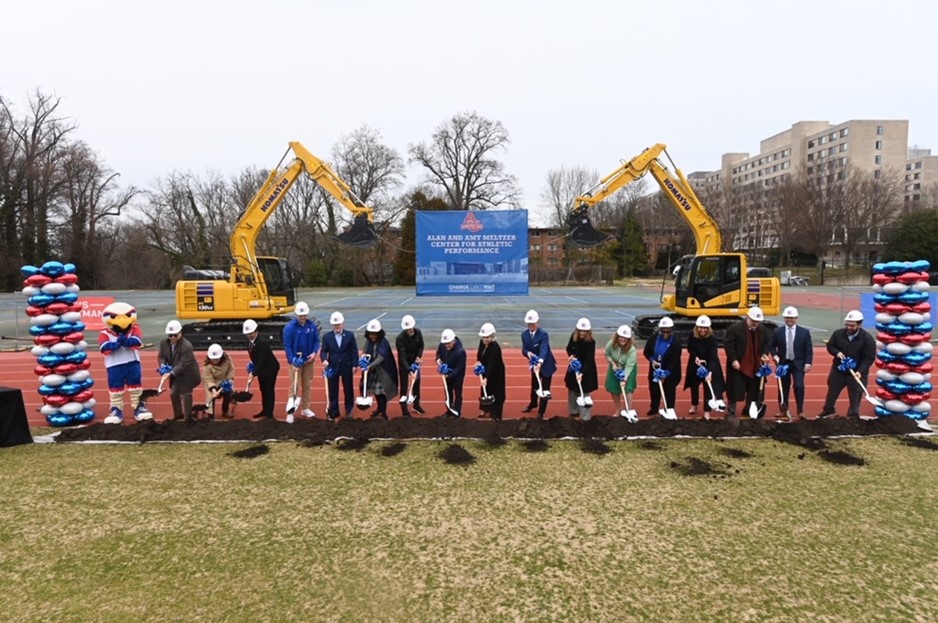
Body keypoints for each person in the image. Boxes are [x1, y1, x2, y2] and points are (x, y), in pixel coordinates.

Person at [98, 301, 151, 424]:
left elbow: (137, 341)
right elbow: (103, 347)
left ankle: (139, 407)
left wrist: (126, 341)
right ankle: (116, 409)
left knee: (136, 386)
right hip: (114, 365)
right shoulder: (105, 332)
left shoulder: (134, 329)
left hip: (132, 362)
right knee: (115, 387)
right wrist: (115, 344)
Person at [818, 310, 876, 419]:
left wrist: (860, 371)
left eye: (852, 325)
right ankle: (828, 410)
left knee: (855, 395)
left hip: (856, 373)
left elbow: (869, 358)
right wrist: (837, 353)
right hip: (838, 371)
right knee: (832, 392)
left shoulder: (867, 339)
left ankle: (853, 415)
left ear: (859, 324)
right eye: (847, 325)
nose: (849, 327)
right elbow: (830, 346)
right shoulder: (838, 334)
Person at [723, 307, 773, 419]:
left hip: (756, 366)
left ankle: (749, 409)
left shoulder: (763, 330)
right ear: (748, 317)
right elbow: (729, 345)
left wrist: (765, 354)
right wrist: (734, 360)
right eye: (753, 320)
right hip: (739, 365)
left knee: (754, 390)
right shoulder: (735, 329)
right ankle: (731, 412)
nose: (755, 323)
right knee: (735, 389)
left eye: (757, 321)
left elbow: (766, 344)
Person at [769, 306, 813, 420]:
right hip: (783, 363)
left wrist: (808, 363)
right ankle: (783, 410)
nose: (789, 320)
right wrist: (775, 355)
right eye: (787, 318)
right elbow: (771, 345)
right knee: (783, 387)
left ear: (796, 318)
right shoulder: (778, 331)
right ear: (784, 318)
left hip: (798, 364)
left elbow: (808, 349)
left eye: (792, 318)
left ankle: (800, 410)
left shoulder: (804, 332)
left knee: (799, 386)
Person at [282, 301, 321, 421]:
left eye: (304, 315)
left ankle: (305, 408)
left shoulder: (311, 326)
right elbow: (287, 345)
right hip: (295, 361)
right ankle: (290, 412)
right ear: (296, 315)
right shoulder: (290, 328)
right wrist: (292, 360)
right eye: (300, 316)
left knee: (307, 384)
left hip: (308, 360)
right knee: (295, 385)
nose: (303, 318)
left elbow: (316, 341)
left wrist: (314, 353)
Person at [683, 315, 725, 420]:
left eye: (705, 328)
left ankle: (707, 411)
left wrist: (710, 371)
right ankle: (694, 404)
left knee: (708, 388)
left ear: (708, 328)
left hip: (709, 363)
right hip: (695, 363)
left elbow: (713, 355)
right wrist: (695, 357)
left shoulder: (713, 339)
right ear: (697, 327)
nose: (702, 330)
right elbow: (690, 348)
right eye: (700, 327)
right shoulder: (692, 335)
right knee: (694, 385)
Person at [159, 320, 202, 421]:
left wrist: (170, 373)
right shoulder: (163, 344)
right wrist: (163, 366)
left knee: (186, 394)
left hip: (188, 374)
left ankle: (188, 418)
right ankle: (178, 415)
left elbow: (183, 364)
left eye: (175, 335)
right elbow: (161, 356)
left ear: (180, 333)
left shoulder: (187, 346)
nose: (173, 337)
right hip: (176, 374)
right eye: (170, 335)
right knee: (173, 393)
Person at [320, 311, 358, 421]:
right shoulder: (327, 337)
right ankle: (334, 410)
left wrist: (354, 364)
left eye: (338, 324)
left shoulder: (350, 335)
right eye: (335, 324)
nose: (337, 326)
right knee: (333, 389)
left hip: (347, 365)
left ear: (343, 324)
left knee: (348, 389)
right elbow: (323, 351)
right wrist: (324, 360)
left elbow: (354, 351)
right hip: (332, 366)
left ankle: (349, 409)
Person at [520, 309, 557, 419]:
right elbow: (524, 349)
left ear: (538, 322)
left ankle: (541, 411)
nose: (531, 325)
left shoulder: (543, 334)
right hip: (534, 364)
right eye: (529, 323)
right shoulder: (524, 335)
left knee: (545, 389)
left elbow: (544, 349)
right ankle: (533, 403)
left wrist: (540, 362)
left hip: (546, 364)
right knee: (535, 386)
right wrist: (528, 353)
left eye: (533, 323)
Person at [643, 317, 683, 417]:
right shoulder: (653, 338)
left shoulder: (676, 342)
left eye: (668, 332)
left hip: (670, 372)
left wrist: (666, 373)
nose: (665, 334)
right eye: (663, 331)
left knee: (669, 391)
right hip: (655, 369)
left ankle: (669, 409)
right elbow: (646, 352)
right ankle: (654, 408)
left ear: (672, 330)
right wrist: (652, 361)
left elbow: (675, 360)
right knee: (654, 389)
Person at [359, 319, 398, 420]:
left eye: (374, 334)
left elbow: (381, 357)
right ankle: (379, 409)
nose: (372, 336)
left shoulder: (383, 343)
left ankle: (383, 412)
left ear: (379, 333)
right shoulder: (368, 342)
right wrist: (362, 358)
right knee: (376, 392)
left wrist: (370, 366)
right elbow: (364, 351)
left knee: (382, 393)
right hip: (373, 371)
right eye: (371, 334)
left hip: (383, 371)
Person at [243, 319, 280, 419]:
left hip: (270, 369)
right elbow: (255, 358)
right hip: (261, 369)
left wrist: (253, 374)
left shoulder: (262, 343)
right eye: (247, 334)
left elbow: (261, 360)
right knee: (263, 389)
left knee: (269, 390)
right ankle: (264, 410)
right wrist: (253, 369)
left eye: (251, 333)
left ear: (256, 331)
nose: (249, 335)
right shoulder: (248, 341)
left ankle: (269, 414)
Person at [565, 317, 598, 420]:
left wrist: (582, 373)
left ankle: (585, 416)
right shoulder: (573, 337)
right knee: (572, 389)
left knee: (584, 391)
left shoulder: (591, 342)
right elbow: (569, 348)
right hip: (575, 366)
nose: (582, 333)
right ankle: (574, 412)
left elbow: (589, 359)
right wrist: (571, 355)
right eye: (581, 331)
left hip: (586, 369)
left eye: (585, 331)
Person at [604, 324, 638, 417]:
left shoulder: (632, 350)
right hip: (614, 366)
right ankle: (619, 409)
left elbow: (629, 366)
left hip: (628, 367)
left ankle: (628, 410)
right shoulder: (611, 343)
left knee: (628, 389)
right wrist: (613, 364)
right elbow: (607, 353)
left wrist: (625, 379)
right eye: (621, 337)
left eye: (625, 338)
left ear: (629, 339)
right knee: (613, 388)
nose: (623, 339)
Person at [395, 314, 425, 417]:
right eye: (406, 329)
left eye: (410, 329)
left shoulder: (418, 333)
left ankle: (416, 405)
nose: (408, 331)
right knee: (404, 386)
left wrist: (418, 357)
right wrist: (409, 370)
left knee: (417, 384)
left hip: (415, 362)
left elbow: (421, 346)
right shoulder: (400, 338)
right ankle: (404, 409)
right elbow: (402, 356)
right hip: (404, 364)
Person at [475, 322, 505, 420]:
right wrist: (478, 362)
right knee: (485, 390)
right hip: (485, 369)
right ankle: (485, 409)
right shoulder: (482, 343)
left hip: (496, 373)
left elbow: (491, 364)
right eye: (483, 337)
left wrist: (486, 377)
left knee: (496, 392)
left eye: (487, 337)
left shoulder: (495, 348)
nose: (485, 339)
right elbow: (479, 354)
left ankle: (496, 414)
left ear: (492, 336)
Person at [436, 329, 466, 418]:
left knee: (457, 394)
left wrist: (449, 375)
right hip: (446, 375)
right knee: (448, 394)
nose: (447, 345)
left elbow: (459, 368)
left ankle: (457, 412)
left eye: (449, 343)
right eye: (445, 344)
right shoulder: (442, 345)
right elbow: (438, 353)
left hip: (457, 377)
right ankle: (449, 411)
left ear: (453, 341)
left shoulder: (461, 352)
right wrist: (438, 359)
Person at [202, 343, 235, 419]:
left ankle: (225, 410)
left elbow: (231, 368)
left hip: (224, 379)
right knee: (210, 397)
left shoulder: (227, 358)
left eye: (217, 358)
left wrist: (229, 379)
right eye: (213, 359)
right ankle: (210, 414)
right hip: (211, 381)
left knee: (228, 394)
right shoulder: (206, 365)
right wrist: (214, 390)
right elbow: (208, 379)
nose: (215, 360)